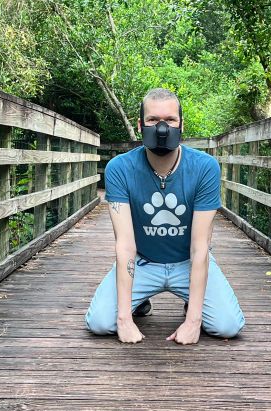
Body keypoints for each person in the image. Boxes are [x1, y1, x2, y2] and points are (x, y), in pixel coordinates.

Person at [85, 88, 245, 344]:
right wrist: (124, 319)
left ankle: (191, 300)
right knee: (101, 323)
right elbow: (125, 245)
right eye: (152, 120)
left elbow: (200, 247)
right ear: (140, 125)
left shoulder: (204, 168)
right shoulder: (120, 168)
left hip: (187, 261)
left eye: (170, 120)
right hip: (142, 262)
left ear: (181, 125)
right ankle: (138, 303)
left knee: (227, 326)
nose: (162, 129)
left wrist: (193, 321)